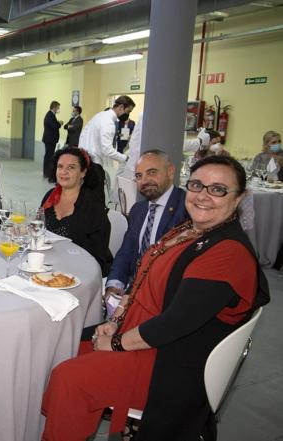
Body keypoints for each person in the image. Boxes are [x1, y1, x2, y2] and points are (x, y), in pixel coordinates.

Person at [41, 155, 270, 441]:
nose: (203, 196)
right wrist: (116, 321)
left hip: (171, 359)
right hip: (145, 334)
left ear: (239, 198)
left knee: (69, 377)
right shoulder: (190, 229)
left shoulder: (227, 253)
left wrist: (115, 343)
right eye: (197, 185)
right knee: (61, 344)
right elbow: (143, 278)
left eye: (218, 189)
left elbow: (175, 323)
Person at [105, 150, 188, 315]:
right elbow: (126, 252)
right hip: (131, 290)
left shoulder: (186, 209)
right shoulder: (139, 209)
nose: (144, 181)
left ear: (170, 171)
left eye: (152, 172)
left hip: (160, 301)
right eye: (139, 176)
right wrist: (115, 285)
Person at [40, 148, 113, 276]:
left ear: (83, 172)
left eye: (71, 167)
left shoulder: (93, 206)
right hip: (51, 265)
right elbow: (40, 229)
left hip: (82, 270)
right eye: (60, 166)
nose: (63, 172)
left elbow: (96, 253)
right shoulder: (50, 197)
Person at [78, 96, 135, 196]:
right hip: (93, 165)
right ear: (121, 107)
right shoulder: (108, 123)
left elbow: (83, 135)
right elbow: (107, 150)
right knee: (95, 198)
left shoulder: (99, 116)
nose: (128, 115)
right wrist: (125, 158)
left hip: (84, 160)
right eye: (128, 111)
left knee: (84, 195)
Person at [42, 101, 62, 177]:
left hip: (51, 139)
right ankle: (46, 172)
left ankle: (48, 172)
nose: (58, 109)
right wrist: (59, 123)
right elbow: (54, 126)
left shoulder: (52, 115)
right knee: (48, 156)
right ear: (54, 107)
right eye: (58, 108)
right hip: (49, 139)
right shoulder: (49, 115)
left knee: (50, 155)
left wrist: (57, 123)